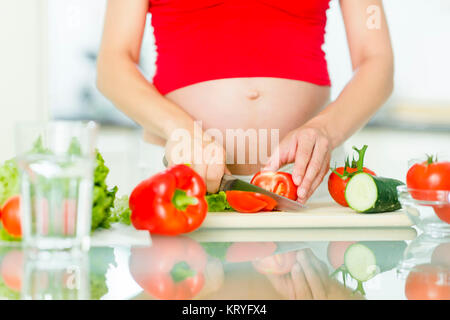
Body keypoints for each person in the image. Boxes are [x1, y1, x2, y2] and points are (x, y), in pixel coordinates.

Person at [97, 0, 393, 203]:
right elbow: (112, 64)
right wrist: (181, 130)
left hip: (304, 179)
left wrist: (326, 130)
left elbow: (377, 62)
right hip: (182, 168)